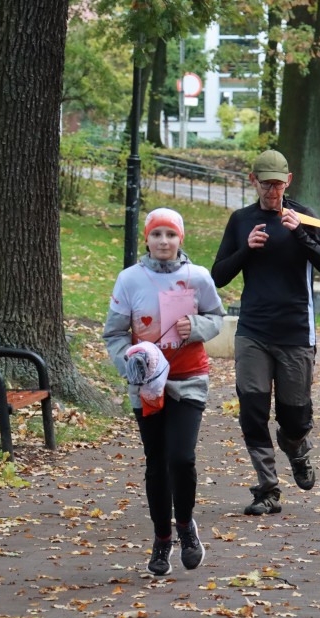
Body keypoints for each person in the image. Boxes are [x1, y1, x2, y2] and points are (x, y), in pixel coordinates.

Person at [211, 150, 320, 516]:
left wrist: (300, 234)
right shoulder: (241, 221)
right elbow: (217, 275)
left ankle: (296, 446)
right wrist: (245, 251)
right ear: (253, 181)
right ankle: (267, 489)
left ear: (289, 181)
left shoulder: (306, 217)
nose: (271, 190)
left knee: (294, 417)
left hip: (296, 331)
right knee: (252, 410)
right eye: (265, 183)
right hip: (253, 330)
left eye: (277, 184)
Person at [103, 207, 225, 576]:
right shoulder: (129, 279)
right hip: (147, 384)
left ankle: (186, 526)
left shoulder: (198, 277)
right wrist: (131, 363)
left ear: (180, 239)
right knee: (157, 463)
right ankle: (161, 540)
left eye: (170, 235)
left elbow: (218, 318)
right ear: (147, 239)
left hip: (189, 378)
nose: (163, 242)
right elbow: (114, 333)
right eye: (157, 234)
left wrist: (197, 326)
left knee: (181, 458)